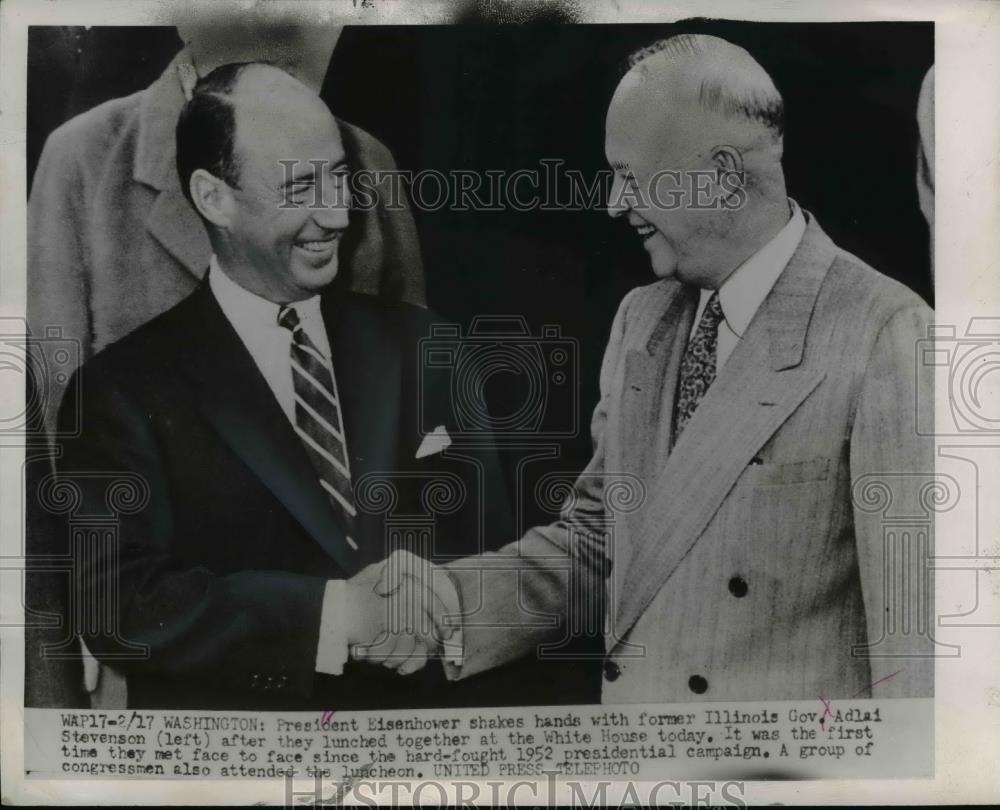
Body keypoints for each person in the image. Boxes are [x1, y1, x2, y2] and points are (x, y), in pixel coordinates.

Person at [372, 33, 934, 702]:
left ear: (724, 176)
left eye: (632, 177)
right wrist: (442, 601)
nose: (614, 203)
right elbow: (598, 548)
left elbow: (915, 658)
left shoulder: (884, 330)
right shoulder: (643, 319)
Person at [52, 62, 507, 710]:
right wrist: (335, 617)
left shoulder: (432, 348)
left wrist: (440, 605)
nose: (338, 213)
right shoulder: (119, 391)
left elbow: (497, 551)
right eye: (301, 185)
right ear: (215, 198)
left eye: (341, 178)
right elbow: (116, 603)